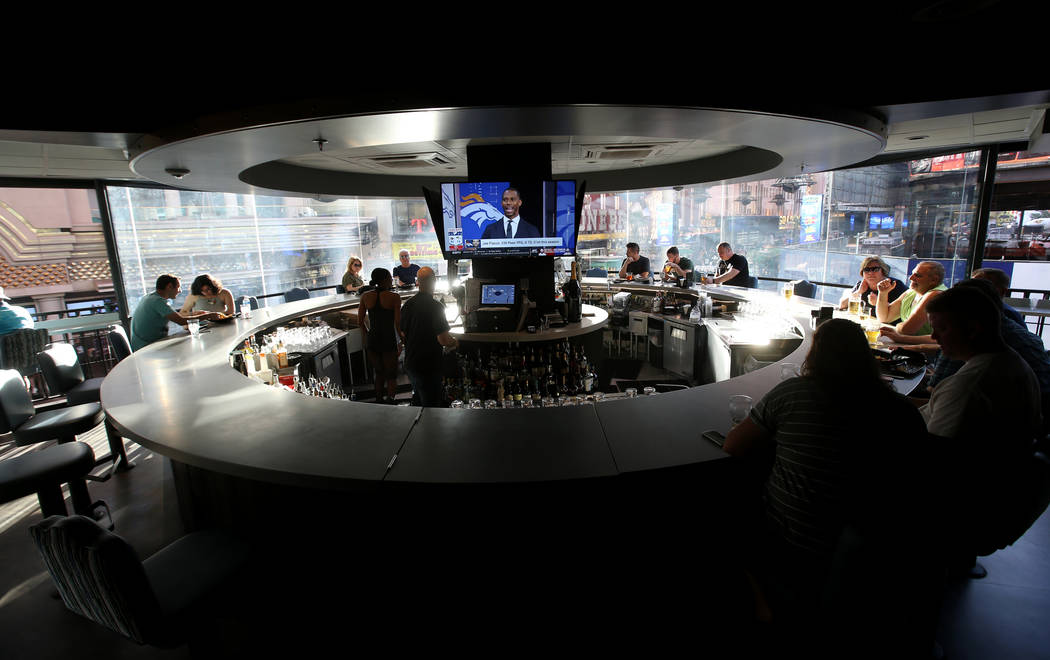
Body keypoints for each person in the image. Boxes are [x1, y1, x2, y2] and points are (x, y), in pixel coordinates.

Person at [724, 319, 934, 651]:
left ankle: (765, 606)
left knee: (729, 516)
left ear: (814, 354)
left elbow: (733, 446)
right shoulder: (900, 409)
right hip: (877, 541)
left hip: (797, 536)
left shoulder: (793, 393)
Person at [921, 286, 1042, 442]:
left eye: (942, 329)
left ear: (972, 330)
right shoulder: (1010, 361)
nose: (934, 337)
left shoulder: (967, 386)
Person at [400, 267, 458, 407]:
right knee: (431, 406)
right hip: (428, 365)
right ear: (434, 281)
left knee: (419, 401)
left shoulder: (408, 304)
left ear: (418, 282)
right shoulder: (435, 306)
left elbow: (402, 333)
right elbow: (443, 339)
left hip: (411, 362)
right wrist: (455, 342)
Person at [130, 274, 223, 351]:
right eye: (178, 287)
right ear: (170, 286)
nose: (180, 291)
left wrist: (193, 314)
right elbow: (181, 321)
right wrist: (209, 315)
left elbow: (175, 316)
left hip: (145, 344)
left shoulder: (150, 297)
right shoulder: (158, 301)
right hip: (147, 348)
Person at [358, 268, 402, 403]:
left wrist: (367, 336)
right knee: (391, 375)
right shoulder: (394, 297)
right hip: (388, 339)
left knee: (379, 373)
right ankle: (391, 401)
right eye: (389, 277)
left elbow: (360, 322)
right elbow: (397, 323)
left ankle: (378, 401)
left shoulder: (365, 296)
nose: (391, 279)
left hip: (373, 339)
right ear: (384, 280)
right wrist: (401, 341)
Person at [875, 260, 946, 336]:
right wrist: (883, 293)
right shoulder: (912, 292)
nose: (911, 278)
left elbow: (906, 330)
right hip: (910, 344)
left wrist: (897, 327)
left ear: (934, 280)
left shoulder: (935, 295)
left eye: (917, 275)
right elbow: (884, 318)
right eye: (912, 274)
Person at [838, 256, 907, 318]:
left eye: (875, 269)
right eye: (866, 270)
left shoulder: (895, 285)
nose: (870, 273)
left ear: (883, 271)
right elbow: (842, 305)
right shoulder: (861, 285)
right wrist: (858, 292)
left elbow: (904, 312)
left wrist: (878, 302)